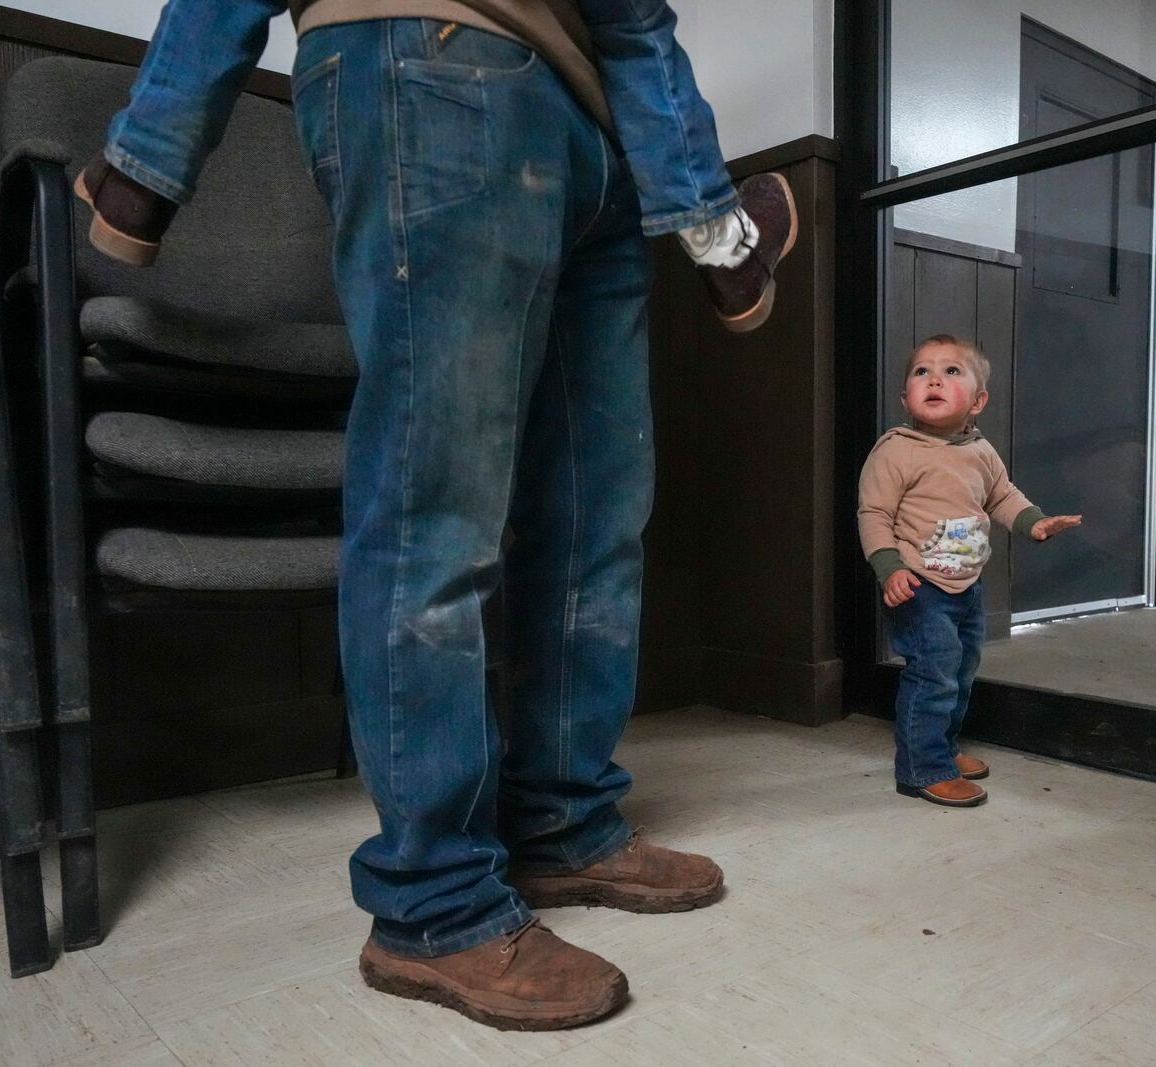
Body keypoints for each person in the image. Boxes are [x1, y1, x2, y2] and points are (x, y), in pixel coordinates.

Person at [72, 0, 800, 1034]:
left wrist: (706, 219)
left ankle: (562, 820)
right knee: (435, 512)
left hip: (598, 135)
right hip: (436, 57)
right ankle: (433, 903)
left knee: (600, 517)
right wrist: (152, 152)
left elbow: (633, 18)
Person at [75, 0, 798, 331]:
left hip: (550, 125)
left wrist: (150, 148)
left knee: (548, 528)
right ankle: (720, 241)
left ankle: (141, 177)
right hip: (503, 78)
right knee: (637, 25)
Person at [857, 335, 1082, 808]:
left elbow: (1003, 495)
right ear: (905, 398)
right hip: (919, 585)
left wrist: (1034, 522)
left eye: (951, 371)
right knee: (933, 672)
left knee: (960, 670)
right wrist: (889, 568)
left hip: (966, 585)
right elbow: (873, 514)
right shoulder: (897, 450)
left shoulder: (980, 450)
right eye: (922, 372)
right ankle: (922, 768)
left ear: (978, 401)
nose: (934, 379)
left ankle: (942, 746)